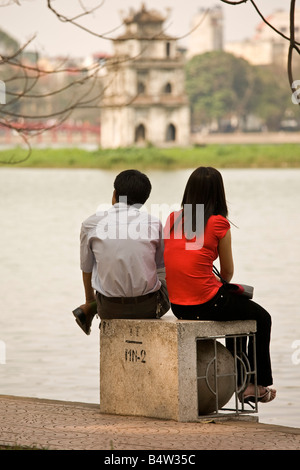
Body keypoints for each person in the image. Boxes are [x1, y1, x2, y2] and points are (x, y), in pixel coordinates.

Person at [163, 166, 276, 405]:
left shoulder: (173, 219)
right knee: (262, 317)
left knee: (236, 310)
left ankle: (242, 381)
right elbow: (227, 272)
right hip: (205, 303)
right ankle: (255, 383)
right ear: (218, 193)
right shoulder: (218, 223)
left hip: (179, 306)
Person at [74, 169, 170, 334]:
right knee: (163, 270)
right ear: (143, 201)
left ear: (115, 194)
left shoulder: (90, 224)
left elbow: (86, 268)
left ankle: (91, 307)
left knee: (102, 265)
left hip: (109, 310)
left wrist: (90, 301)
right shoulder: (154, 223)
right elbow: (161, 265)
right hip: (149, 308)